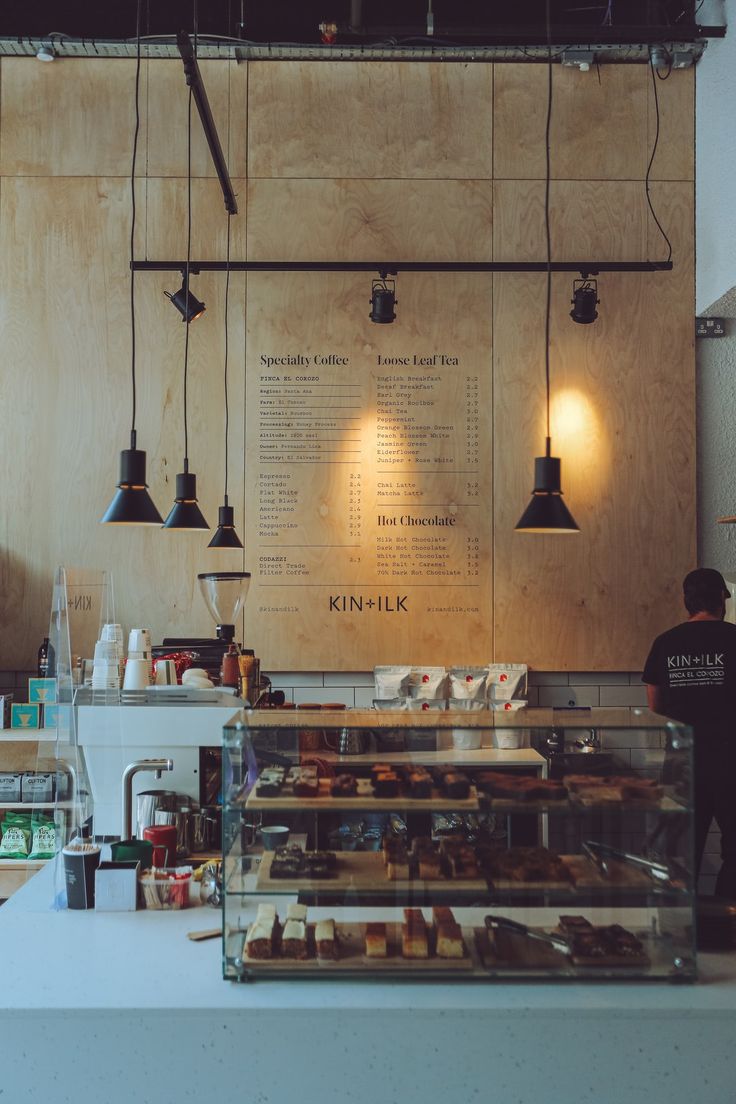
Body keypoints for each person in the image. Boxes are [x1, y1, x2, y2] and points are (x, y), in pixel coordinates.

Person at [643, 567, 736, 897]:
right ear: (722, 600)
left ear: (687, 602)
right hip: (731, 762)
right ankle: (728, 929)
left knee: (680, 853)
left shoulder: (666, 642)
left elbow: (655, 709)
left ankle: (683, 934)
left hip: (683, 762)